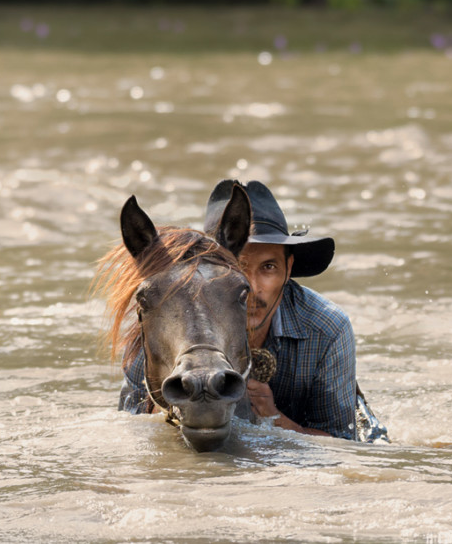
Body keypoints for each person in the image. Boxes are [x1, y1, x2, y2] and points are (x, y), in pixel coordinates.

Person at [118, 179, 388, 442]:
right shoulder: (162, 316)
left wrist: (275, 421)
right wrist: (166, 413)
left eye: (268, 267)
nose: (253, 287)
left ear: (289, 269)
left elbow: (346, 445)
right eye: (239, 268)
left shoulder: (327, 327)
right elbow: (128, 427)